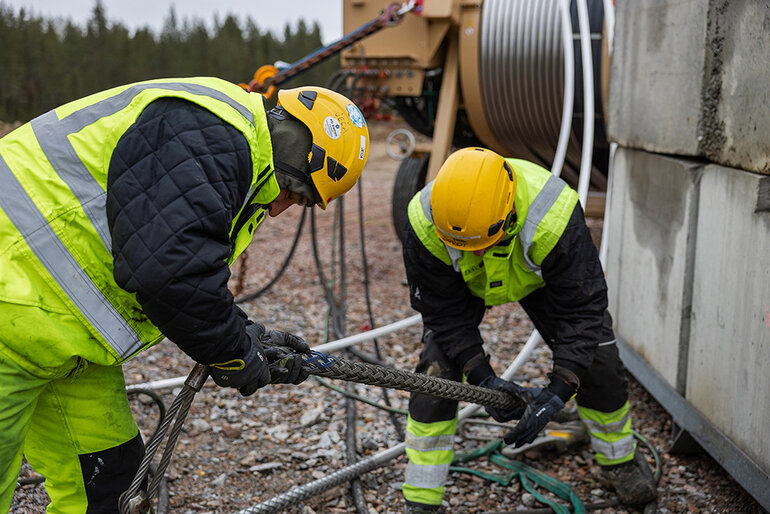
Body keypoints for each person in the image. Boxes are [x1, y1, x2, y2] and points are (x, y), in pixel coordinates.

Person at [0, 77, 370, 512]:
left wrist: (247, 336)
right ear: (294, 143)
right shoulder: (205, 131)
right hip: (12, 321)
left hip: (59, 341)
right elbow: (167, 272)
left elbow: (182, 258)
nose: (279, 208)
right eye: (295, 190)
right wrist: (234, 353)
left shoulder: (227, 152)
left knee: (112, 492)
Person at [399, 147, 657, 513]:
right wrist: (483, 377)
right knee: (436, 373)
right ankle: (423, 495)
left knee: (598, 357)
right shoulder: (424, 222)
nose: (473, 254)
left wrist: (558, 392)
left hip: (538, 278)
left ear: (509, 218)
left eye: (480, 245)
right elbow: (443, 313)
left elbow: (583, 310)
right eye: (464, 248)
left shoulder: (554, 215)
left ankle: (619, 462)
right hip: (463, 286)